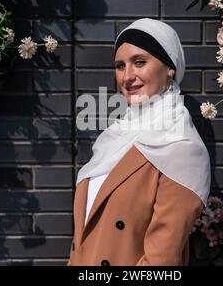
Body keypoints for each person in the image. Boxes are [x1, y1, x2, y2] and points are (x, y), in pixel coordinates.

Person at [68, 18, 211, 266]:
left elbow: (161, 260)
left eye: (140, 62)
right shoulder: (113, 139)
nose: (127, 76)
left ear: (170, 68)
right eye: (120, 66)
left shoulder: (182, 147)